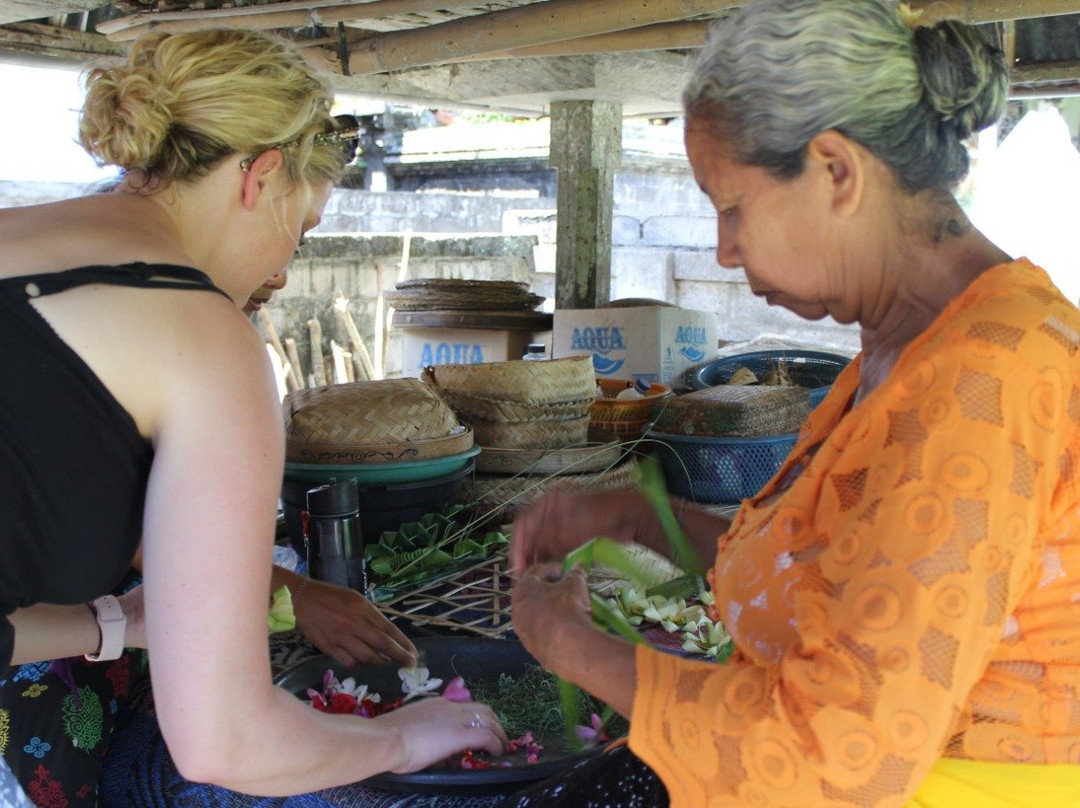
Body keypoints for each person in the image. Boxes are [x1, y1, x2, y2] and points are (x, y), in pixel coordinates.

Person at [506, 1, 1080, 805]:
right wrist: (642, 522)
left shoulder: (984, 378)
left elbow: (838, 752)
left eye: (733, 207)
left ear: (837, 172)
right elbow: (843, 579)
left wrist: (570, 644)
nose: (723, 250)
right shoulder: (912, 348)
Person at [0, 27, 506, 804]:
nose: (281, 271)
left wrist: (115, 626)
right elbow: (223, 742)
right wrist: (406, 736)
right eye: (300, 232)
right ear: (260, 176)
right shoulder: (201, 335)